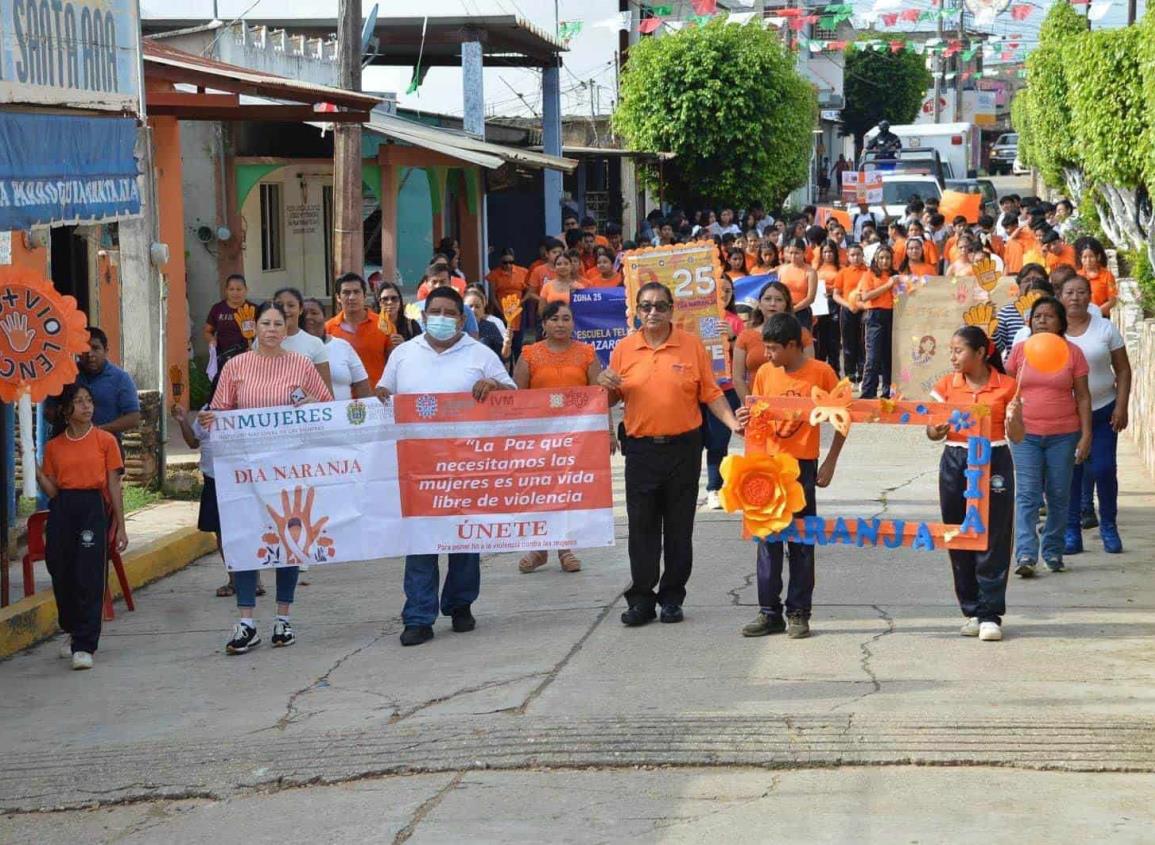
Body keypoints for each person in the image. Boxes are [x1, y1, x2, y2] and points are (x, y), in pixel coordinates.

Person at [377, 288, 515, 647]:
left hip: (466, 464)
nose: (440, 317)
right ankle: (419, 616)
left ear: (460, 318)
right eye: (434, 311)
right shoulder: (403, 355)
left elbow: (513, 397)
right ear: (423, 317)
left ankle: (460, 605)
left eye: (448, 312)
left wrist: (495, 385)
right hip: (418, 465)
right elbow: (382, 399)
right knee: (421, 541)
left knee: (464, 539)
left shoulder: (479, 354)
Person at [598, 282, 742, 627]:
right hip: (641, 451)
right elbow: (611, 399)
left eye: (660, 306)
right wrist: (602, 387)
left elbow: (711, 393)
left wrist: (734, 423)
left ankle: (672, 598)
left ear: (671, 310)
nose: (653, 312)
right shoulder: (623, 349)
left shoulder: (691, 346)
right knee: (642, 529)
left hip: (684, 449)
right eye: (646, 306)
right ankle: (642, 600)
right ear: (635, 310)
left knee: (679, 529)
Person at [201, 302, 334, 655]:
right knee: (248, 538)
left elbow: (327, 408)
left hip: (289, 469)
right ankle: (246, 621)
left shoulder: (301, 365)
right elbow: (220, 409)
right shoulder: (235, 366)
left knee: (288, 536)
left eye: (279, 323)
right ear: (254, 327)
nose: (272, 329)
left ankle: (283, 618)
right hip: (246, 472)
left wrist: (308, 402)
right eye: (265, 323)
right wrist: (213, 420)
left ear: (287, 328)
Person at [736, 312, 845, 639]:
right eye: (764, 348)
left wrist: (830, 461)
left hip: (802, 467)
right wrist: (745, 421)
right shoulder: (766, 374)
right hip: (768, 468)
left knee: (801, 541)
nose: (766, 355)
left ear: (794, 345)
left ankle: (799, 612)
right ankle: (769, 612)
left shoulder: (821, 373)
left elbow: (843, 417)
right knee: (767, 541)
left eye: (772, 348)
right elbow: (758, 420)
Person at [928, 326, 1017, 642]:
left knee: (994, 534)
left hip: (994, 458)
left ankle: (990, 613)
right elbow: (931, 430)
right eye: (950, 350)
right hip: (956, 458)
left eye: (958, 350)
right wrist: (937, 429)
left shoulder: (1007, 386)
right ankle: (972, 610)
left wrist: (1015, 419)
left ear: (981, 353)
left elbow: (1017, 435)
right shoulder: (945, 386)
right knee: (958, 532)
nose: (952, 357)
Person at [35, 383, 128, 671]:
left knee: (89, 572)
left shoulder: (105, 441)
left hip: (92, 508)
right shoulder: (54, 447)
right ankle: (72, 628)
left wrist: (121, 526)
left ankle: (85, 644)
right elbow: (52, 491)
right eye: (79, 402)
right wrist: (35, 469)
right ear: (65, 410)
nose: (87, 407)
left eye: (89, 401)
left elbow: (113, 484)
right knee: (60, 569)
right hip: (63, 508)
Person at [513, 300, 601, 573]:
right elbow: (516, 398)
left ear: (573, 323)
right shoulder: (529, 354)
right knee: (540, 491)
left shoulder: (587, 353)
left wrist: (607, 432)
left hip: (577, 438)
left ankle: (565, 548)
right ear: (544, 324)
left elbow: (599, 397)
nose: (560, 324)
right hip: (539, 439)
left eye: (566, 319)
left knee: (569, 491)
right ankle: (539, 548)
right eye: (554, 319)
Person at [1005, 297, 1091, 577]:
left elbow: (1083, 396)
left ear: (1061, 322)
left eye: (1049, 316)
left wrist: (1086, 434)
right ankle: (1026, 554)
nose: (1042, 320)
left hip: (1064, 435)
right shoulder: (1019, 351)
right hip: (1025, 435)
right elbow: (1006, 389)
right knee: (1028, 495)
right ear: (1030, 322)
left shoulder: (1073, 353)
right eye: (1037, 316)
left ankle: (1053, 551)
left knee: (1058, 494)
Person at [1052, 275, 1130, 554]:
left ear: (1090, 296)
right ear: (1060, 296)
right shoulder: (1053, 333)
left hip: (1103, 411)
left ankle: (1108, 525)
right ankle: (1071, 531)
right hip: (1065, 416)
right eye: (1070, 292)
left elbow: (1123, 369)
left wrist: (1122, 406)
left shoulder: (1105, 328)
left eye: (1082, 292)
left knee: (1104, 468)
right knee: (1070, 473)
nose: (1076, 297)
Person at [734, 280, 814, 400]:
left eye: (779, 299)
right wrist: (752, 406)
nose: (772, 303)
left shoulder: (802, 334)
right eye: (767, 299)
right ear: (759, 305)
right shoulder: (745, 336)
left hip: (794, 403)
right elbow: (737, 378)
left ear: (786, 305)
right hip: (758, 407)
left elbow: (810, 372)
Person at [69, 327, 141, 446]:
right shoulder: (68, 376)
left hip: (108, 447)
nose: (90, 354)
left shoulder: (121, 378)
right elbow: (50, 411)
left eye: (95, 348)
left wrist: (98, 431)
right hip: (73, 445)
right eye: (85, 349)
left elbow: (134, 417)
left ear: (106, 351)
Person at [325, 272, 391, 386]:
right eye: (346, 292)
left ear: (364, 296)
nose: (352, 297)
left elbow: (392, 363)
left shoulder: (384, 324)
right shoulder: (327, 328)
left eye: (356, 292)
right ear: (338, 297)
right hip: (340, 400)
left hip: (375, 400)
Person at [270, 288, 331, 393]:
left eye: (291, 305)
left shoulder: (315, 344)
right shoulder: (262, 341)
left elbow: (326, 393)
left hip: (304, 407)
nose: (285, 309)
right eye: (279, 305)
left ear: (301, 309)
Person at [857, 244, 897, 399]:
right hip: (875, 315)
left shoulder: (895, 275)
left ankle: (887, 391)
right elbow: (866, 296)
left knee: (889, 357)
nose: (885, 261)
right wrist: (887, 286)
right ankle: (868, 391)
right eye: (881, 258)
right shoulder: (869, 274)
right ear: (875, 259)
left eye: (887, 258)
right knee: (873, 357)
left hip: (892, 315)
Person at [993, 266, 1050, 356]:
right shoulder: (1006, 312)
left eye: (1037, 279)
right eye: (1027, 280)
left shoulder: (1055, 311)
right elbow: (999, 349)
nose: (1032, 283)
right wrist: (993, 331)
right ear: (1019, 285)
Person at [833, 243, 869, 384]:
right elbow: (836, 295)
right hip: (847, 311)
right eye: (852, 255)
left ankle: (862, 373)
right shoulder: (843, 272)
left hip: (864, 311)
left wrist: (863, 306)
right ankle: (849, 374)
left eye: (858, 254)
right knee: (848, 343)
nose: (856, 258)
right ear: (847, 256)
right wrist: (848, 305)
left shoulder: (868, 272)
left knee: (863, 342)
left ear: (862, 256)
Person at [204, 274, 258, 360]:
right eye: (231, 289)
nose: (235, 293)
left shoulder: (254, 309)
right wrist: (211, 340)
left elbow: (263, 333)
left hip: (248, 357)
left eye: (239, 289)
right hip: (223, 356)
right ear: (226, 290)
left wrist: (256, 347)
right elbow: (207, 331)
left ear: (246, 290)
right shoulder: (217, 308)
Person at [813, 241, 841, 374]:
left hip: (835, 304)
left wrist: (830, 289)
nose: (828, 254)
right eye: (825, 252)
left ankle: (834, 371)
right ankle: (820, 371)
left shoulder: (841, 269)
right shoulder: (816, 269)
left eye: (830, 251)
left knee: (834, 339)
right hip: (819, 305)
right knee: (820, 339)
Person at [779, 238, 819, 328]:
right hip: (784, 310)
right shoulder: (782, 269)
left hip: (802, 312)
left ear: (804, 253)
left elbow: (810, 298)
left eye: (797, 253)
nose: (793, 256)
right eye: (791, 253)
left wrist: (793, 310)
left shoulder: (810, 272)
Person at [465, 287, 510, 361]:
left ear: (483, 308)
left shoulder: (490, 327)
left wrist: (507, 345)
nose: (473, 310)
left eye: (477, 306)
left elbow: (503, 358)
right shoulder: (458, 328)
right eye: (470, 306)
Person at [1076, 237, 1117, 318]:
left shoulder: (1107, 275)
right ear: (1080, 259)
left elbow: (1112, 300)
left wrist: (1096, 313)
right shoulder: (1077, 276)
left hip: (1101, 317)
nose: (1088, 260)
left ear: (1098, 257)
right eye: (1084, 257)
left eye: (1091, 256)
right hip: (1081, 316)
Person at [377, 282, 424, 348]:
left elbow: (421, 350)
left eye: (394, 298)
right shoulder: (373, 325)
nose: (390, 302)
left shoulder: (411, 325)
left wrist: (404, 345)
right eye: (385, 299)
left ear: (400, 301)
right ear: (379, 303)